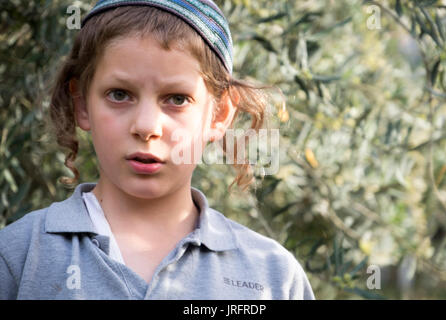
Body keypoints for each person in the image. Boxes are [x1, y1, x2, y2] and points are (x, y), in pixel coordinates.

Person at [0, 0, 315, 300]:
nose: (147, 126)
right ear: (82, 103)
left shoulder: (272, 277)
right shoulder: (19, 257)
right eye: (120, 94)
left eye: (177, 99)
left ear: (219, 115)